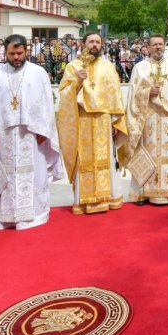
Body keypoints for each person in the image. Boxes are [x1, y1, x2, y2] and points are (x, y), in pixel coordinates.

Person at [0, 34, 66, 230]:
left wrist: (45, 130)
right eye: (12, 53)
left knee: (33, 174)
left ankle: (33, 214)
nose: (16, 57)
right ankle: (4, 217)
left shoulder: (38, 72)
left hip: (32, 134)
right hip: (3, 136)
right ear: (6, 52)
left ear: (26, 51)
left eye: (20, 53)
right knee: (6, 175)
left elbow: (46, 102)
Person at [57, 31, 127, 214]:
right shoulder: (73, 66)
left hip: (104, 120)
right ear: (83, 43)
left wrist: (115, 121)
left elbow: (115, 95)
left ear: (102, 45)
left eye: (97, 42)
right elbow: (63, 95)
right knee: (84, 160)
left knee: (106, 160)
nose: (94, 45)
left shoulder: (108, 66)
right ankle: (85, 201)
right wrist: (77, 82)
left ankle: (108, 198)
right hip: (83, 119)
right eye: (91, 41)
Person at [123, 34, 168, 205]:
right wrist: (147, 93)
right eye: (154, 45)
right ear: (148, 47)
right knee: (148, 154)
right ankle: (144, 193)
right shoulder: (140, 68)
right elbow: (132, 95)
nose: (158, 47)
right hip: (149, 118)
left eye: (161, 44)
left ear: (165, 46)